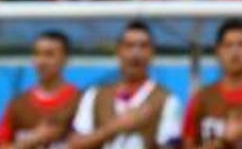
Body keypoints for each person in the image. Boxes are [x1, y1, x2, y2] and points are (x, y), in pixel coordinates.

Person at [71, 20, 185, 149]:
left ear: (152, 52)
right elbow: (75, 144)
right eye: (129, 46)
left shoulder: (167, 100)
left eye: (143, 46)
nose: (136, 53)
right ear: (119, 51)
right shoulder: (95, 95)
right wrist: (116, 127)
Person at [184, 18, 242, 149]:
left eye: (241, 44)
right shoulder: (202, 98)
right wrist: (225, 140)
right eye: (228, 45)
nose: (234, 52)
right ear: (218, 50)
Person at [0, 31, 83, 148]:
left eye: (49, 54)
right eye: (37, 54)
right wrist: (33, 140)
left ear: (65, 59)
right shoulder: (18, 104)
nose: (41, 61)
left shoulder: (81, 101)